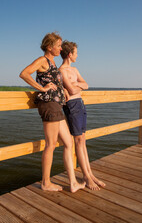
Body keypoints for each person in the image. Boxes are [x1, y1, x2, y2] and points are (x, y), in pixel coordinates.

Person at [19, 32, 85, 193]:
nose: (60, 48)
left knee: (68, 142)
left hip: (57, 105)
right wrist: (42, 88)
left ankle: (73, 183)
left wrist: (63, 90)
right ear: (49, 47)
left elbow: (54, 81)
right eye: (58, 45)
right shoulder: (42, 60)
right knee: (50, 145)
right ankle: (45, 182)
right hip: (49, 105)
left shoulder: (52, 63)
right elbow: (24, 73)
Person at [60, 40, 106, 190]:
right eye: (76, 53)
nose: (77, 55)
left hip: (80, 104)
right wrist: (77, 86)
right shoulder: (62, 71)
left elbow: (86, 84)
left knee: (83, 141)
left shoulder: (75, 70)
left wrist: (76, 85)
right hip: (72, 106)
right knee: (78, 141)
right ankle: (86, 176)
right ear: (69, 54)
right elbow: (72, 91)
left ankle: (90, 174)